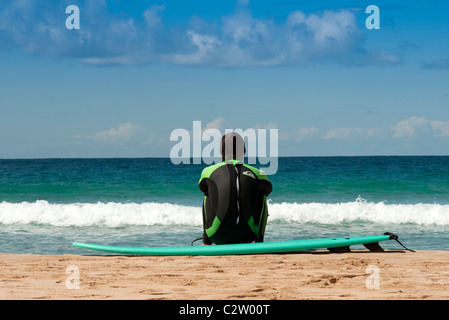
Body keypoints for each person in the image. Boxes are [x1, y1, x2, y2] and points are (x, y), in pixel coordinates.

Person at [198, 132, 272, 245]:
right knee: (262, 194)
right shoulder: (258, 173)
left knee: (208, 192)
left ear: (221, 152)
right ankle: (259, 240)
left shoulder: (208, 172)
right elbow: (269, 189)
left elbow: (202, 187)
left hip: (217, 235)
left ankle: (206, 241)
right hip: (248, 235)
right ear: (244, 151)